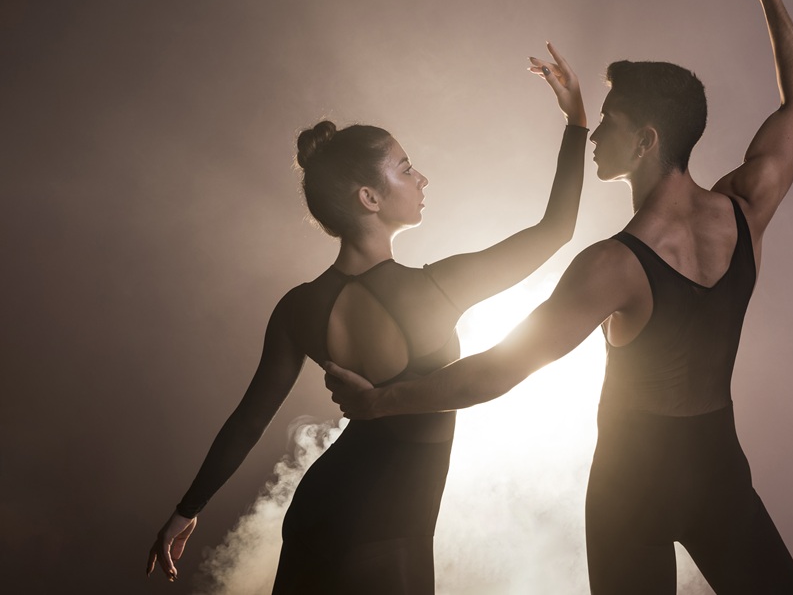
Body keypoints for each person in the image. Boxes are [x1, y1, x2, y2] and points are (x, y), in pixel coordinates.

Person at [323, 0, 793, 594]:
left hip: (632, 490)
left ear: (645, 141)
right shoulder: (745, 209)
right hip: (715, 472)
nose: (597, 132)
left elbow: (500, 370)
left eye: (609, 121)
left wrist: (380, 402)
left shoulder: (613, 267)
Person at [145, 43, 589, 594]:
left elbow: (248, 420)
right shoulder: (434, 289)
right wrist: (576, 121)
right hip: (391, 532)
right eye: (405, 168)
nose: (422, 178)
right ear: (369, 198)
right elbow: (556, 229)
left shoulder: (298, 307)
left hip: (318, 515)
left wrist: (185, 511)